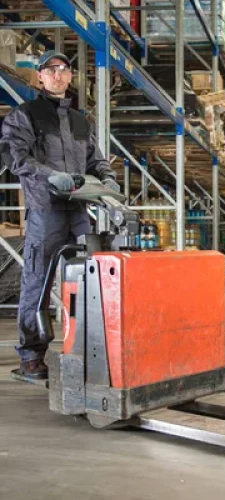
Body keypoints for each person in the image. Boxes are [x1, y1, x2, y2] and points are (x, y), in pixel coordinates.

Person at [1, 50, 119, 379]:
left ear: (70, 77)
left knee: (90, 280)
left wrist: (106, 176)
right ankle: (31, 357)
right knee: (37, 282)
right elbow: (17, 158)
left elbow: (95, 158)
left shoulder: (82, 120)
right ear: (39, 76)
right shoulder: (25, 115)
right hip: (46, 210)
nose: (57, 75)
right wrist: (50, 176)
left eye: (64, 70)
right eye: (50, 70)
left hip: (79, 210)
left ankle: (87, 350)